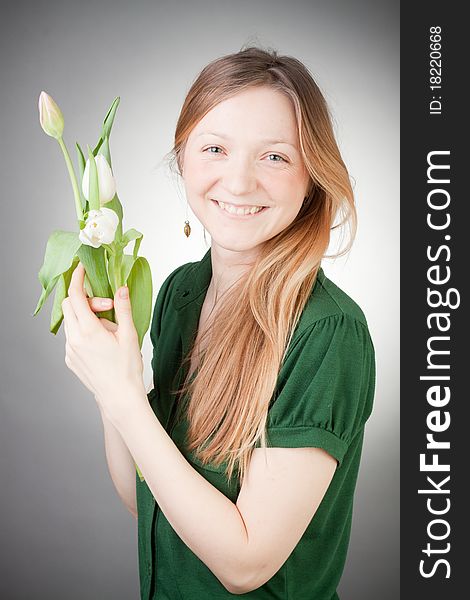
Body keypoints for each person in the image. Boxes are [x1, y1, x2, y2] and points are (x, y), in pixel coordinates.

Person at [62, 46, 376, 599]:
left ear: (312, 177)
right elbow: (147, 497)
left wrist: (124, 396)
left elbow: (245, 565)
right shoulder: (181, 292)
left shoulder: (327, 333)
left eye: (274, 156)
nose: (238, 182)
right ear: (183, 159)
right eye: (215, 148)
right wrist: (117, 377)